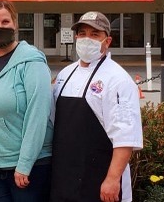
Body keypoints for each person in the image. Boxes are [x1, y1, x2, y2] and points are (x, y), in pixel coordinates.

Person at [50, 12, 143, 202]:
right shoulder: (65, 74)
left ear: (107, 41)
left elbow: (125, 137)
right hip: (64, 177)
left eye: (94, 34)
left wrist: (112, 179)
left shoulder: (118, 79)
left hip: (100, 180)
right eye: (82, 33)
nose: (86, 39)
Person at [0, 0, 54, 202]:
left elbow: (38, 115)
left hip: (27, 168)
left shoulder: (32, 62)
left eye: (5, 22)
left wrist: (25, 164)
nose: (0, 27)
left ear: (15, 24)